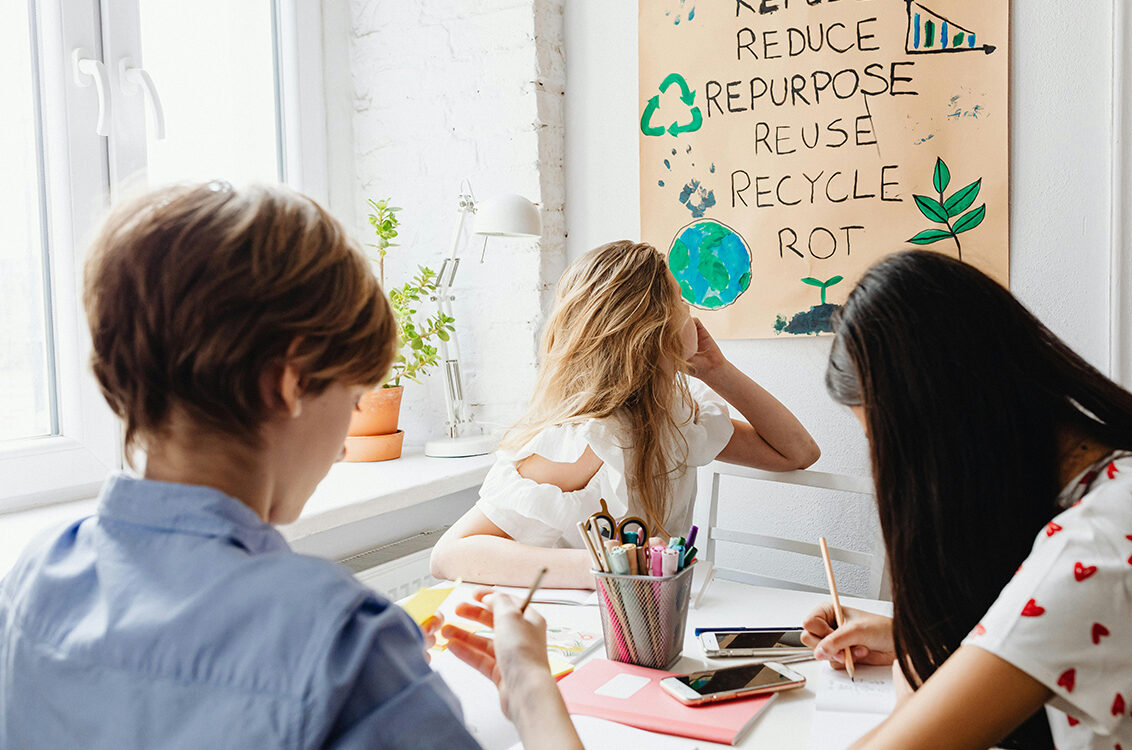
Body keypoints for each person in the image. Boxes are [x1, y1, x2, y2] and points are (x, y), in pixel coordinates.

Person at [0, 182, 580, 750]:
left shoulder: (31, 581)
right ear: (292, 382)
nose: (344, 444)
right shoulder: (343, 648)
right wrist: (529, 687)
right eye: (353, 400)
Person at [799, 251, 1132, 749]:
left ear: (940, 438)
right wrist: (912, 635)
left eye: (886, 448)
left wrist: (919, 636)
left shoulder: (1098, 551)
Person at [430, 241, 820, 588]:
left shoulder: (678, 417)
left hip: (653, 618)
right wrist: (602, 568)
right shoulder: (586, 440)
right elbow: (448, 555)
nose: (693, 315)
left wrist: (719, 371)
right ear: (653, 333)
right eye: (682, 302)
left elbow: (797, 453)